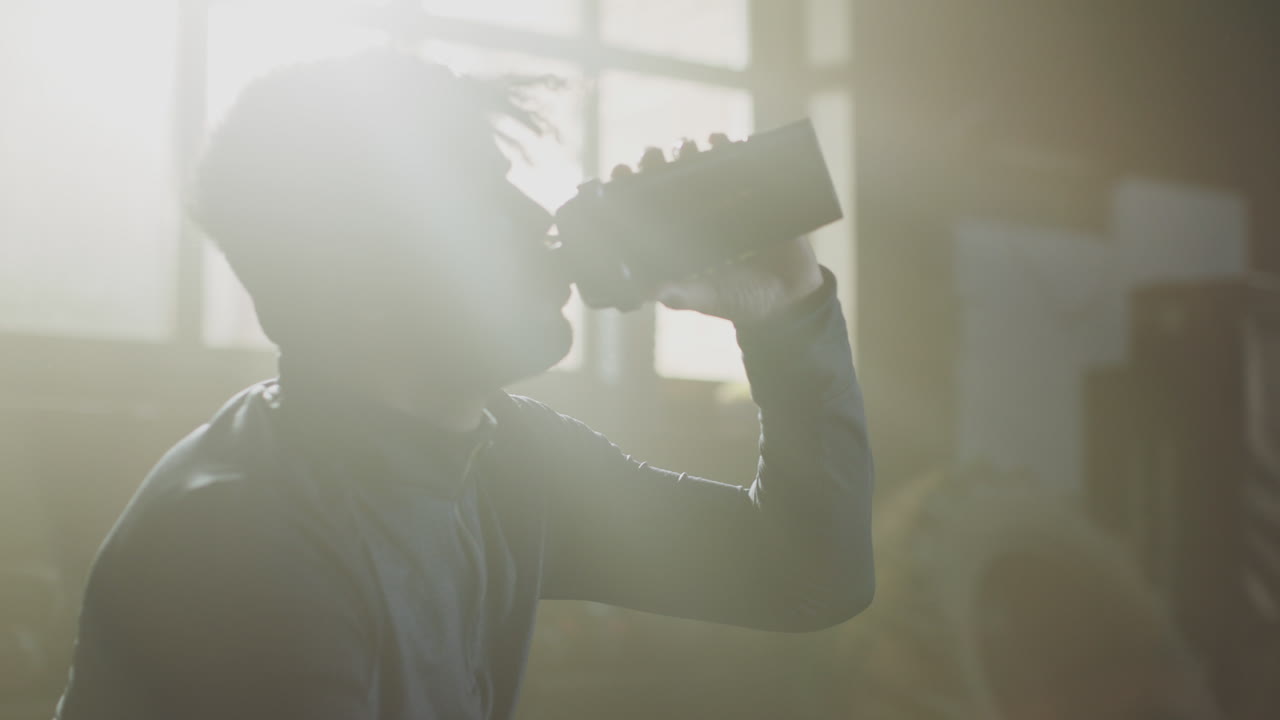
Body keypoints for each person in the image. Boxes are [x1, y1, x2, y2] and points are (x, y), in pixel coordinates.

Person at [55, 50, 874, 720]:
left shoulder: (502, 454)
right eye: (473, 198)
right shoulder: (246, 542)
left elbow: (806, 576)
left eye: (504, 179)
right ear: (360, 285)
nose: (533, 219)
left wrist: (783, 315)